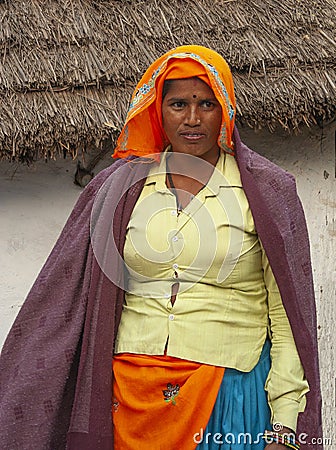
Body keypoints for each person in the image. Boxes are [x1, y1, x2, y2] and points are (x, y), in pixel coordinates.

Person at [0, 45, 323, 450]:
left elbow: (288, 315)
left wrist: (285, 423)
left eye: (206, 103)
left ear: (225, 109)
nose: (192, 118)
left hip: (229, 394)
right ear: (157, 109)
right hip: (130, 396)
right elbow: (64, 295)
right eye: (178, 104)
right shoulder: (119, 189)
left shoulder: (266, 190)